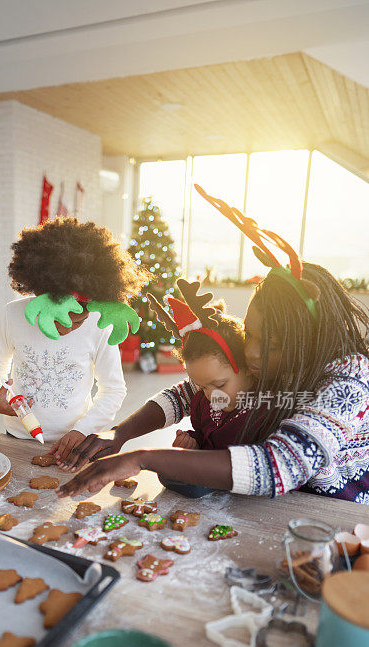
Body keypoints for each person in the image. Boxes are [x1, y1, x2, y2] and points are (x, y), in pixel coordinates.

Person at [56, 186, 369, 504]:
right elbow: (185, 393)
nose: (252, 352)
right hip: (276, 503)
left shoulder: (350, 378)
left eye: (271, 344)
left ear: (309, 339)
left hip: (336, 512)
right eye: (251, 335)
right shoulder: (267, 361)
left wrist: (141, 459)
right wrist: (120, 434)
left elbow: (279, 466)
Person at [60, 278, 261, 498]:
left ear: (249, 368)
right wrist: (119, 433)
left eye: (220, 385)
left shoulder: (269, 404)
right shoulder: (210, 389)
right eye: (202, 387)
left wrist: (168, 460)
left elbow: (258, 465)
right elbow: (177, 397)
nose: (211, 396)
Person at [0, 216, 144, 460]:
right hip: (17, 434)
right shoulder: (12, 315)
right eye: (56, 321)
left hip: (76, 441)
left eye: (77, 322)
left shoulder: (99, 325)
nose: (66, 329)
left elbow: (113, 389)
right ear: (39, 295)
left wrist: (84, 430)